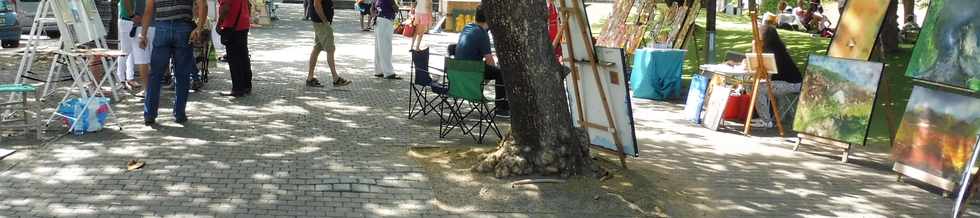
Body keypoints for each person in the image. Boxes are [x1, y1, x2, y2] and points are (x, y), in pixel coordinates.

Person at [140, 0, 207, 125]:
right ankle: (180, 114)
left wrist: (143, 35)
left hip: (162, 29)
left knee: (155, 75)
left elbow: (148, 11)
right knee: (182, 75)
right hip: (183, 29)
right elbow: (203, 5)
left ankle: (149, 115)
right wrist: (199, 28)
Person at [455, 6, 510, 117]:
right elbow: (490, 61)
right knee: (501, 73)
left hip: (458, 76)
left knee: (490, 70)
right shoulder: (482, 34)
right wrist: (496, 68)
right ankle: (501, 108)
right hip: (472, 74)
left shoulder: (467, 27)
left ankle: (502, 105)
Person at [753, 23, 803, 128]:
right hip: (787, 82)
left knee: (758, 88)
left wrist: (755, 47)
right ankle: (762, 116)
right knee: (753, 86)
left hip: (792, 84)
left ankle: (766, 120)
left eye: (759, 35)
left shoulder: (772, 52)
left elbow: (766, 73)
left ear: (765, 37)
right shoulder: (774, 48)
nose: (756, 37)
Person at [306, 0, 352, 87]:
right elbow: (317, 4)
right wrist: (325, 20)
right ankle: (336, 78)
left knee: (317, 48)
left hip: (319, 21)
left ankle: (310, 78)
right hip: (321, 22)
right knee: (330, 49)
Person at [217, 0, 253, 97]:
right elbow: (249, 5)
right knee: (243, 56)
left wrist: (219, 23)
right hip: (243, 25)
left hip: (232, 26)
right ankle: (246, 86)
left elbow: (225, 8)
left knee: (234, 59)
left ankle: (237, 89)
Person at [117, 0, 151, 95]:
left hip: (134, 21)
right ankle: (121, 80)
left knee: (132, 52)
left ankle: (129, 78)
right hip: (128, 20)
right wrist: (132, 16)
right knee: (125, 51)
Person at [373, 0, 399, 79]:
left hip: (379, 20)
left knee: (379, 48)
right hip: (386, 21)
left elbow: (372, 8)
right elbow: (396, 9)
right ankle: (388, 72)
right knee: (386, 48)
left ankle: (379, 70)